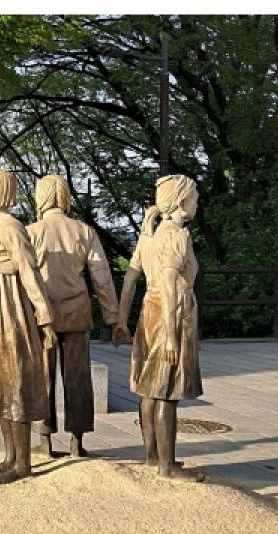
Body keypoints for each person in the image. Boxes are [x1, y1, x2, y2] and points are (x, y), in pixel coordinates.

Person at [0, 168, 55, 484]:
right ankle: (10, 457)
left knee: (16, 385)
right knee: (1, 387)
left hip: (10, 319)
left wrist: (44, 317)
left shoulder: (11, 228)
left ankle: (24, 464)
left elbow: (30, 274)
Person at [114, 175, 203, 479]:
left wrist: (122, 321)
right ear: (181, 201)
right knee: (167, 391)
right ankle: (167, 467)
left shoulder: (148, 237)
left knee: (149, 389)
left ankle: (154, 457)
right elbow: (169, 281)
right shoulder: (177, 236)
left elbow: (129, 281)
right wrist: (170, 333)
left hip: (149, 310)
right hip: (171, 310)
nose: (197, 202)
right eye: (194, 197)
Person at [26, 174, 119, 458]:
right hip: (77, 311)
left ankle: (44, 441)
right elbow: (101, 277)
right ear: (66, 196)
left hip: (44, 317)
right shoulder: (83, 231)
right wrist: (113, 318)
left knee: (42, 377)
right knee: (78, 378)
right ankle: (77, 441)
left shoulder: (31, 232)